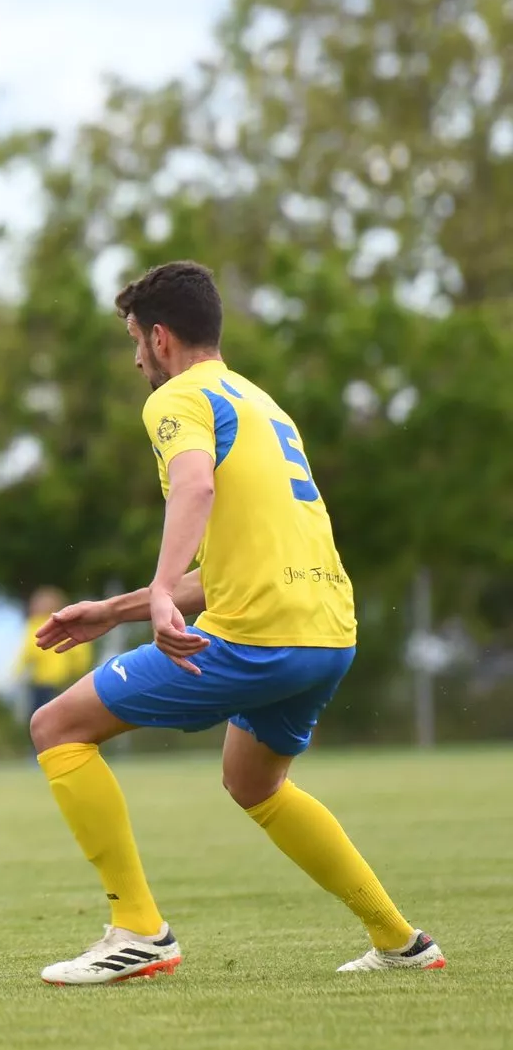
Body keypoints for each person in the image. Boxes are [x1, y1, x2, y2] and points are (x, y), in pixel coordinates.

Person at [30, 260, 442, 984]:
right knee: (254, 782)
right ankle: (401, 941)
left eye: (134, 340)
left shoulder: (176, 400)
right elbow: (231, 565)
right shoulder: (261, 403)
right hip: (328, 633)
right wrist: (120, 610)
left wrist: (159, 588)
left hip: (259, 637)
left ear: (161, 338)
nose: (134, 359)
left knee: (57, 727)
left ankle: (138, 931)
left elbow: (194, 483)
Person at [17, 587, 91, 717]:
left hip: (53, 680)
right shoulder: (60, 624)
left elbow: (28, 652)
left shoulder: (37, 625)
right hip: (52, 681)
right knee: (56, 715)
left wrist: (18, 671)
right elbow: (27, 653)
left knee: (42, 715)